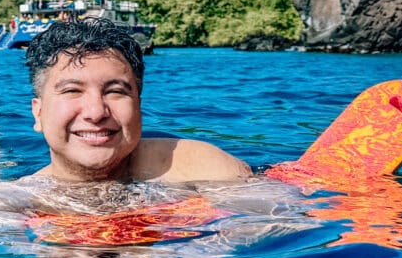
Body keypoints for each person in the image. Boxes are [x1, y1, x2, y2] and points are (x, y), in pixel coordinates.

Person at [23, 18, 249, 185]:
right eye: (72, 90)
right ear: (38, 113)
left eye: (115, 91)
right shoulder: (11, 204)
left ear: (138, 106)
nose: (96, 112)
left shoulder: (205, 170)